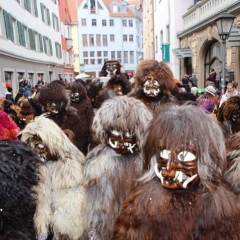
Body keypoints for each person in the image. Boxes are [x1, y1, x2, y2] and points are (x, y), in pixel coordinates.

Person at [112, 104, 240, 240]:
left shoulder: (221, 210)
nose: (169, 170)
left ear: (206, 158)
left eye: (183, 156)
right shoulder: (141, 205)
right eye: (165, 154)